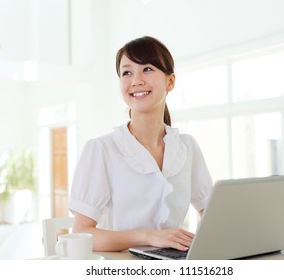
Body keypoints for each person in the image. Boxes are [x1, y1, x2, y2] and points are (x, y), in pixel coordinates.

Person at [68, 36, 213, 252]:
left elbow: (211, 214)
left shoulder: (187, 146)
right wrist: (149, 237)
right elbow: (82, 233)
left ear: (170, 81)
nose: (136, 80)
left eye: (146, 69)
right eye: (127, 72)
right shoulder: (101, 150)